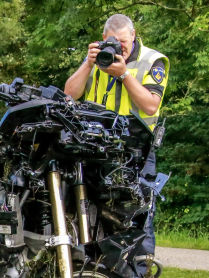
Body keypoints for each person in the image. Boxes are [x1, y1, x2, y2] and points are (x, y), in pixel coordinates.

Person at [64, 13, 169, 258]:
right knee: (91, 215)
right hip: (96, 149)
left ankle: (139, 277)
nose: (120, 47)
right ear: (103, 38)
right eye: (114, 41)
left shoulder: (152, 60)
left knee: (136, 216)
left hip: (135, 151)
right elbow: (69, 94)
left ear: (134, 35)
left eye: (124, 41)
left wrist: (123, 75)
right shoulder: (99, 58)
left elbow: (151, 106)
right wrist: (88, 64)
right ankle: (94, 274)